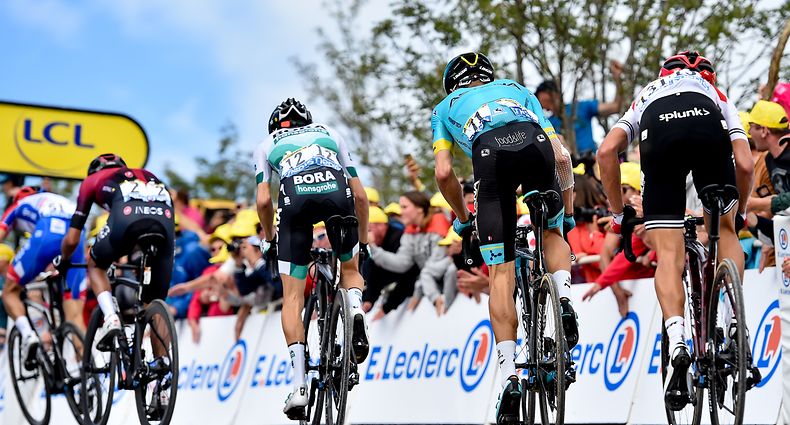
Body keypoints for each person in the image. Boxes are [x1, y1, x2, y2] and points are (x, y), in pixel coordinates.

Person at [597, 51, 753, 410]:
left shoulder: (648, 94)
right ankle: (735, 324)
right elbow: (744, 162)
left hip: (658, 136)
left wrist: (620, 216)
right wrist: (738, 214)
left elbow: (607, 152)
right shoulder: (716, 95)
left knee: (669, 255)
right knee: (725, 232)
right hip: (707, 133)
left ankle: (678, 339)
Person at [431, 52, 576, 424]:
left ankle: (509, 377)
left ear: (453, 85)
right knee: (551, 231)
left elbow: (444, 173)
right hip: (535, 145)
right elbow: (561, 155)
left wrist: (464, 220)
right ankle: (563, 298)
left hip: (490, 156)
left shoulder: (445, 108)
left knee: (500, 274)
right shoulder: (516, 89)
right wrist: (569, 212)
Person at [253, 98, 369, 420]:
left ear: (276, 125)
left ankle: (299, 385)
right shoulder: (331, 133)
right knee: (350, 270)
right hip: (338, 195)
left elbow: (264, 200)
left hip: (294, 202)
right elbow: (360, 195)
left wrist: (269, 238)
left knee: (292, 297)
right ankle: (355, 307)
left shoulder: (266, 144)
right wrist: (364, 239)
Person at [60, 154, 176, 356]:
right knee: (155, 299)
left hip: (127, 217)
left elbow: (72, 239)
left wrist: (64, 259)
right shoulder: (148, 175)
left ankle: (111, 318)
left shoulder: (91, 181)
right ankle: (163, 368)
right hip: (165, 222)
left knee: (95, 265)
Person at [0, 187, 88, 365]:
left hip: (47, 232)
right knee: (76, 316)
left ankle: (28, 335)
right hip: (77, 236)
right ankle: (88, 379)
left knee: (9, 291)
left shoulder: (19, 204)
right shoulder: (56, 198)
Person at [534, 60, 624, 154]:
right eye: (542, 104)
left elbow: (615, 107)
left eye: (548, 100)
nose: (545, 106)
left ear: (556, 94)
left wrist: (618, 79)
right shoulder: (547, 123)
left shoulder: (581, 107)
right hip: (567, 163)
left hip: (590, 162)